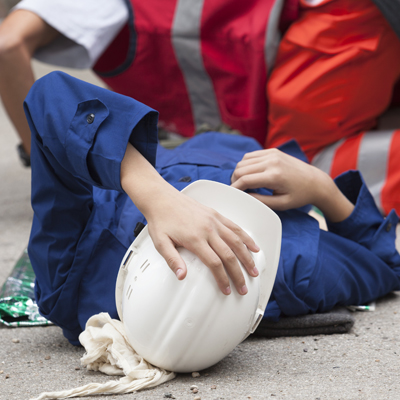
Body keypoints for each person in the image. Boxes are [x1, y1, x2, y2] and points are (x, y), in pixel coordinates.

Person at [25, 71, 400, 345]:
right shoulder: (286, 266)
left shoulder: (71, 284)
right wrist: (321, 186)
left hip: (181, 147)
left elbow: (49, 97)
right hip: (258, 163)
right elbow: (384, 265)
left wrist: (155, 195)